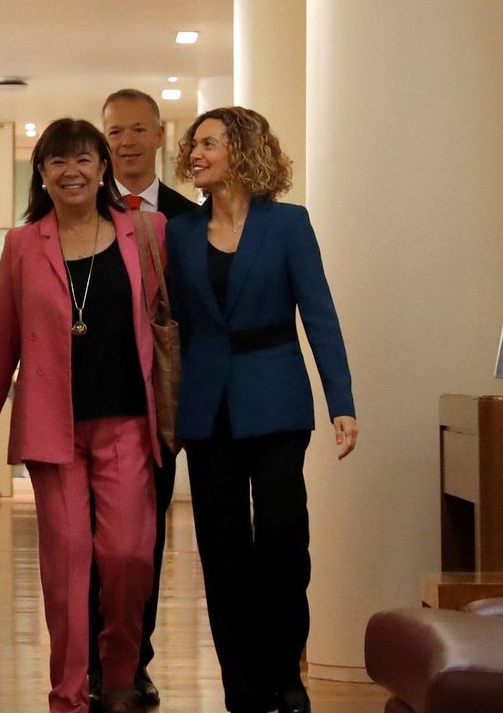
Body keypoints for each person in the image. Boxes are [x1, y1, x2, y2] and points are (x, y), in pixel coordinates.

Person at [0, 118, 165, 713]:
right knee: (67, 568)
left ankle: (120, 671)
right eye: (57, 162)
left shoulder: (147, 233)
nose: (70, 171)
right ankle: (68, 694)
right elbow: (1, 343)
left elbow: (174, 325)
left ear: (103, 167)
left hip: (128, 421)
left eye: (82, 159)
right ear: (43, 175)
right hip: (55, 432)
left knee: (129, 555)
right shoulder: (26, 244)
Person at [167, 106, 357, 713]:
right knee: (223, 554)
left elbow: (319, 316)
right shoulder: (179, 233)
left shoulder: (289, 225)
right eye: (193, 146)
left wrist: (341, 403)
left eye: (208, 144)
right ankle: (242, 689)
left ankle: (286, 673)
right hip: (206, 409)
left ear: (243, 150)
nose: (195, 154)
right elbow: (172, 328)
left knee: (282, 542)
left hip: (276, 400)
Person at [90, 87, 201, 707]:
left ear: (160, 135)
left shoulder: (191, 218)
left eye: (137, 130)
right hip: (95, 399)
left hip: (162, 406)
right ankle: (90, 660)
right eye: (114, 133)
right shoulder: (83, 213)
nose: (126, 143)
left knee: (142, 543)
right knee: (88, 545)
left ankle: (136, 659)